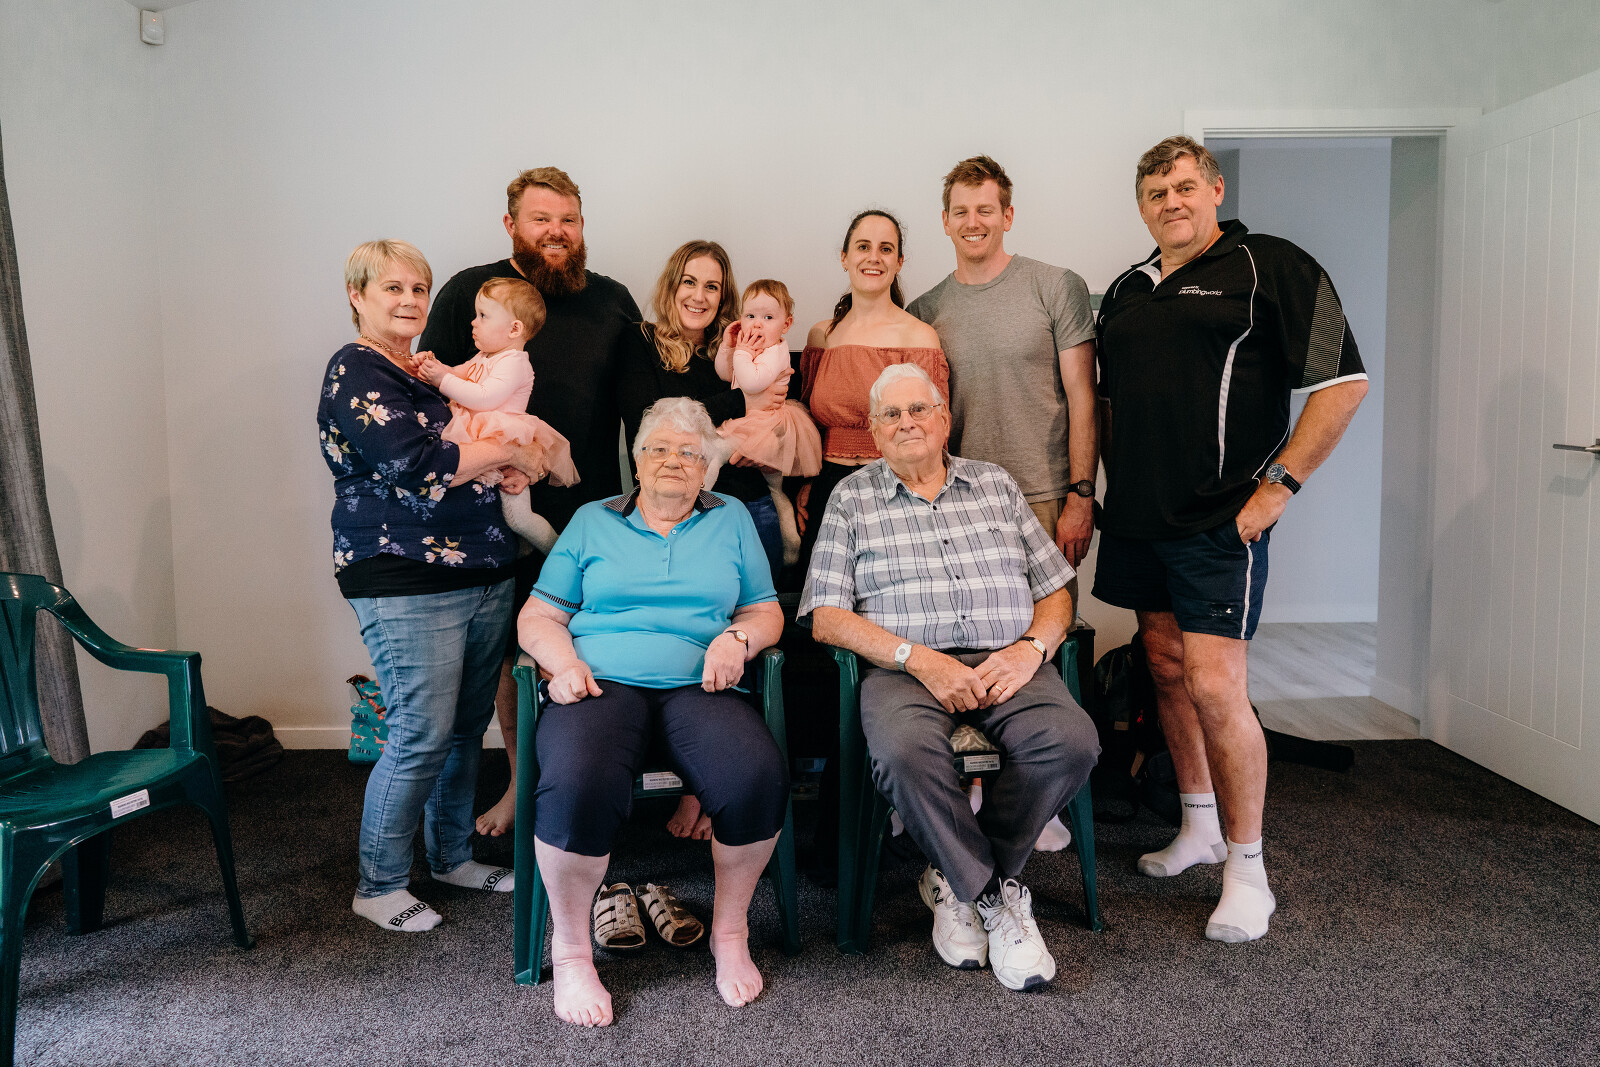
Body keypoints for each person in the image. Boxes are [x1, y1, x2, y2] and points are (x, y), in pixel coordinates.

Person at [1095, 136, 1369, 943]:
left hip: (1220, 520)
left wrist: (1279, 485)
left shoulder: (1270, 265)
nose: (1171, 202)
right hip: (1139, 520)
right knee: (1165, 668)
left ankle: (1248, 872)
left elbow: (1344, 382)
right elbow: (1110, 403)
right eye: (1156, 193)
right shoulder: (1126, 289)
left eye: (1185, 186)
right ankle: (1199, 825)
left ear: (1214, 189)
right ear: (1141, 206)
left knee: (1216, 685)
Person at [801, 364, 1098, 992]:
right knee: (904, 755)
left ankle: (957, 878)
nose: (906, 422)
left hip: (1006, 659)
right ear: (874, 432)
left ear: (944, 420)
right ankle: (994, 897)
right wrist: (917, 659)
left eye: (919, 410)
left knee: (1070, 743)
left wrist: (1032, 649)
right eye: (891, 414)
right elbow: (824, 615)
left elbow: (1054, 589)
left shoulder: (995, 484)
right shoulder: (851, 498)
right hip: (905, 667)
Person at [519, 397, 788, 1026]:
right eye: (659, 449)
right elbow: (539, 615)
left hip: (702, 685)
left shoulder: (731, 519)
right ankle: (572, 950)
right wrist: (564, 664)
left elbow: (764, 609)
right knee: (576, 785)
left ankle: (730, 933)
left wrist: (738, 639)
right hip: (601, 682)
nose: (673, 460)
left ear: (708, 468)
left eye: (689, 452)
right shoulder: (593, 520)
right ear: (637, 461)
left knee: (755, 778)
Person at [317, 240, 552, 933]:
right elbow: (418, 464)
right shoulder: (356, 368)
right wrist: (508, 448)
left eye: (418, 289)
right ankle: (380, 883)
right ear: (357, 294)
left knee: (463, 730)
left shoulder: (426, 370)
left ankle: (451, 856)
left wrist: (503, 455)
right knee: (419, 733)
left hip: (484, 568)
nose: (409, 301)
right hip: (404, 575)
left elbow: (468, 445)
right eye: (392, 288)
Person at [417, 167, 642, 839]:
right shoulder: (472, 292)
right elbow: (434, 396)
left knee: (582, 649)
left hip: (589, 512)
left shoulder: (612, 302)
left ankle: (587, 783)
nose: (556, 232)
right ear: (511, 224)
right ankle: (521, 782)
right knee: (506, 659)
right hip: (482, 510)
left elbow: (642, 410)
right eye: (541, 219)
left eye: (568, 220)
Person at [908, 155, 1100, 854]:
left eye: (985, 209)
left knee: (1034, 646)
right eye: (960, 211)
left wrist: (1082, 494)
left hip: (1044, 493)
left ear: (1008, 215)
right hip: (958, 502)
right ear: (944, 221)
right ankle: (970, 790)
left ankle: (1038, 794)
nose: (974, 221)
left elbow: (1083, 395)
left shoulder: (1054, 286)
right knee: (964, 639)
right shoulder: (927, 310)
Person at [617, 243, 797, 840]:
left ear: (726, 296)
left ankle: (717, 787)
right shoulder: (641, 343)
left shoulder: (741, 346)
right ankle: (689, 773)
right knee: (681, 636)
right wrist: (738, 403)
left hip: (743, 507)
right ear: (671, 285)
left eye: (713, 286)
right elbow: (652, 417)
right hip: (668, 513)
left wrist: (742, 407)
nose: (699, 295)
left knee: (742, 639)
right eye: (689, 282)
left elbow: (769, 403)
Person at [797, 210, 948, 556]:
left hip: (897, 486)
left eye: (886, 249)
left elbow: (935, 431)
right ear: (845, 257)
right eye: (863, 246)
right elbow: (807, 424)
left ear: (899, 262)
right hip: (827, 490)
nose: (874, 257)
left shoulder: (920, 337)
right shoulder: (822, 336)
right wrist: (807, 482)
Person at [414, 276, 578, 553]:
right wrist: (433, 367)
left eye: (483, 316)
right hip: (482, 441)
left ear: (514, 328)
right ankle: (522, 546)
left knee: (518, 517)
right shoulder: (485, 356)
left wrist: (442, 379)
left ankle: (559, 552)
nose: (473, 322)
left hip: (504, 439)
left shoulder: (514, 363)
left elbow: (484, 398)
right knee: (492, 508)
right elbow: (458, 373)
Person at [711, 278, 822, 565]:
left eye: (768, 318)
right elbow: (726, 374)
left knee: (714, 452)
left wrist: (742, 353)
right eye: (750, 316)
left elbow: (751, 381)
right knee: (773, 491)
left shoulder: (776, 352)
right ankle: (790, 541)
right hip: (753, 423)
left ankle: (698, 496)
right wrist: (728, 347)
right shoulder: (753, 349)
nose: (757, 324)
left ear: (786, 324)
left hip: (766, 429)